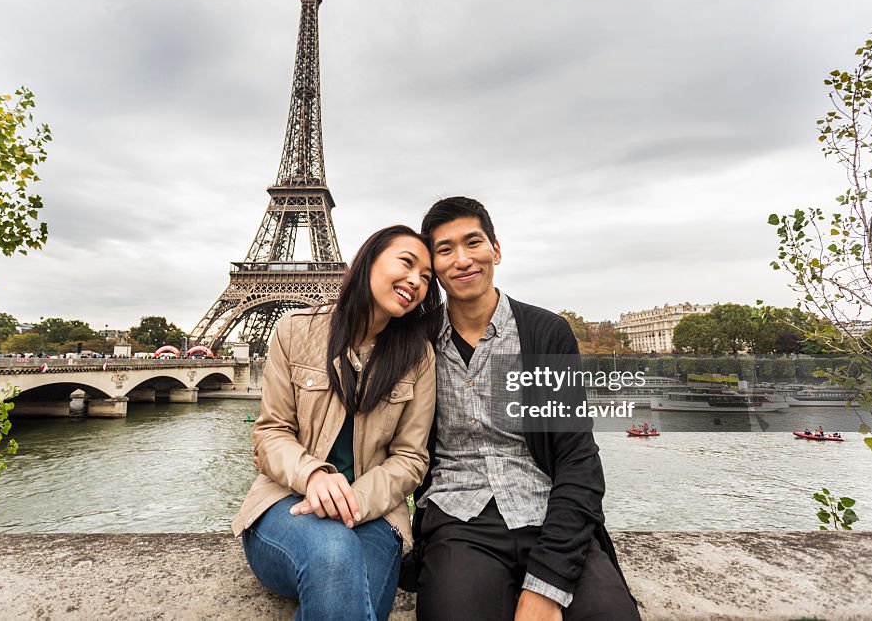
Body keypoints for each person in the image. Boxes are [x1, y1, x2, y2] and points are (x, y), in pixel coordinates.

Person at [407, 197, 640, 621]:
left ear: (496, 249)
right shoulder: (416, 342)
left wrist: (547, 584)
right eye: (445, 249)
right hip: (459, 519)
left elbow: (577, 458)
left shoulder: (546, 333)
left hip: (548, 511)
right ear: (433, 267)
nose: (462, 259)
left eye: (472, 242)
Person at [232, 225, 442, 621]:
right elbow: (270, 432)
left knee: (343, 581)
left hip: (374, 514)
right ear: (368, 261)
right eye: (407, 263)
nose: (416, 281)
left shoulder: (420, 357)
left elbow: (412, 458)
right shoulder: (295, 329)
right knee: (335, 552)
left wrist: (354, 500)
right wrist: (313, 476)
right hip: (286, 505)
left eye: (427, 278)